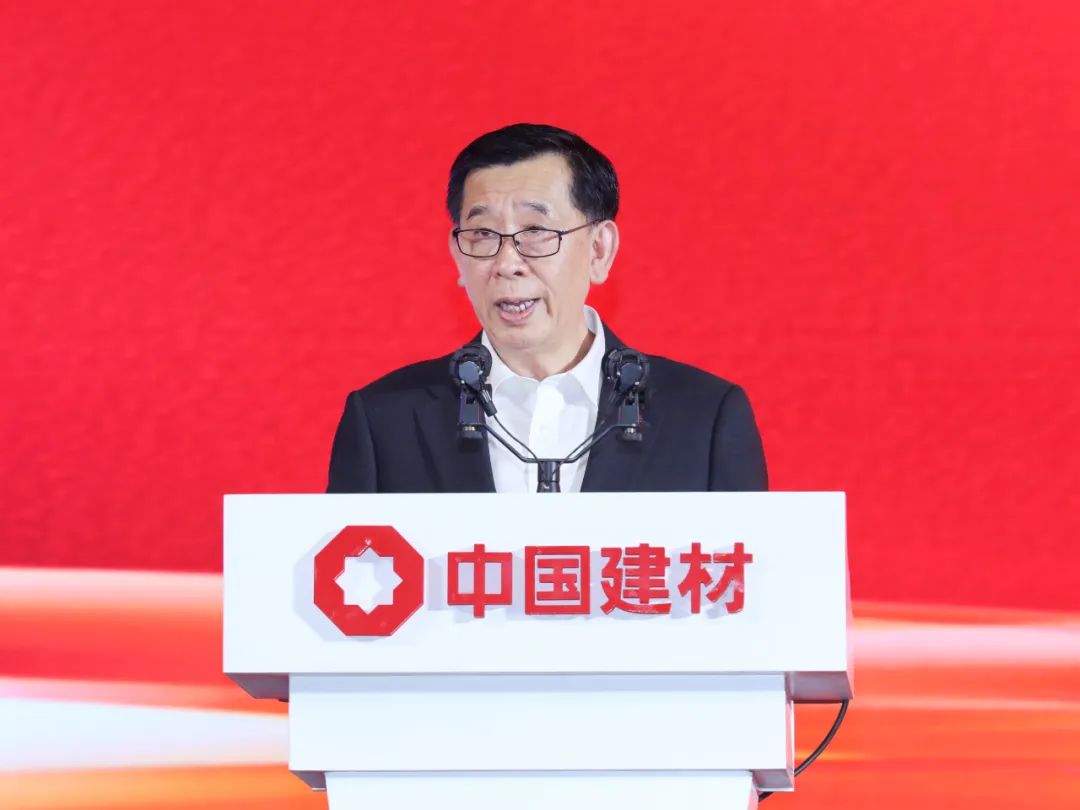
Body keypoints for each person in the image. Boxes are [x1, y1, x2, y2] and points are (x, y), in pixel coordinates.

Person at [327, 123, 767, 494]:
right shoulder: (385, 420)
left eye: (536, 231)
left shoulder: (704, 416)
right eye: (482, 234)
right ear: (457, 256)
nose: (506, 263)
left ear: (599, 250)